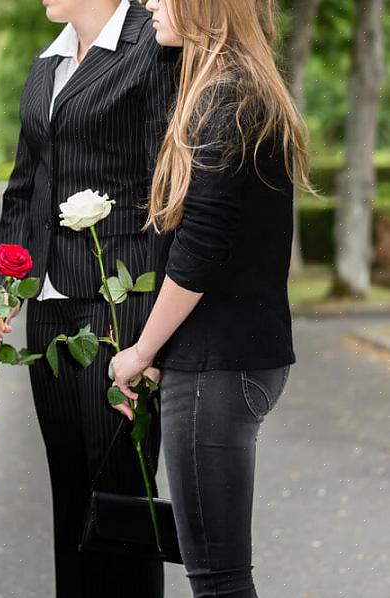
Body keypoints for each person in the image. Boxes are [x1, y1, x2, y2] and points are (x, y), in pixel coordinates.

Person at [0, 0, 179, 596]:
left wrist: (155, 339)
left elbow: (170, 195)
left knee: (120, 499)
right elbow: (24, 187)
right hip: (51, 314)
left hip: (123, 311)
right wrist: (6, 282)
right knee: (70, 494)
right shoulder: (49, 61)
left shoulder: (154, 47)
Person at [110, 0, 311, 596]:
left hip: (215, 369)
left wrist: (141, 353)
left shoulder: (226, 98)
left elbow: (199, 253)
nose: (147, 3)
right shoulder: (245, 89)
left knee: (218, 580)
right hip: (240, 358)